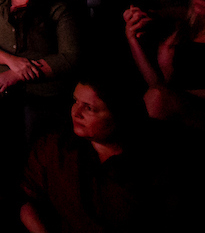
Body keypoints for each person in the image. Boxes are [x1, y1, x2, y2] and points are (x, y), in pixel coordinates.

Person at [20, 72, 162, 232]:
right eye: (76, 101)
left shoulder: (152, 167)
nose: (76, 112)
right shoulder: (54, 147)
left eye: (89, 108)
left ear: (118, 115)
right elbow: (27, 199)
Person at [124, 0, 205, 131]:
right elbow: (157, 85)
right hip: (173, 106)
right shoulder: (186, 31)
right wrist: (132, 38)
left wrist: (177, 93)